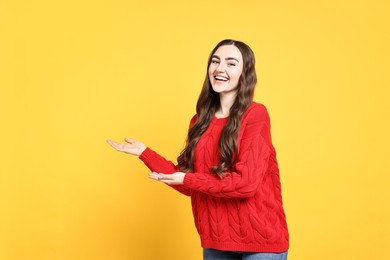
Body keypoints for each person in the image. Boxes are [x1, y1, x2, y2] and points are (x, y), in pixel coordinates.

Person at [107, 39, 289, 260]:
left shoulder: (256, 115)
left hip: (261, 242)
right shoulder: (199, 121)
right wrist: (144, 153)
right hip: (216, 240)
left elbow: (246, 184)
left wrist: (187, 179)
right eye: (215, 61)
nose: (220, 68)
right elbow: (192, 183)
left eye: (231, 63)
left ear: (245, 72)